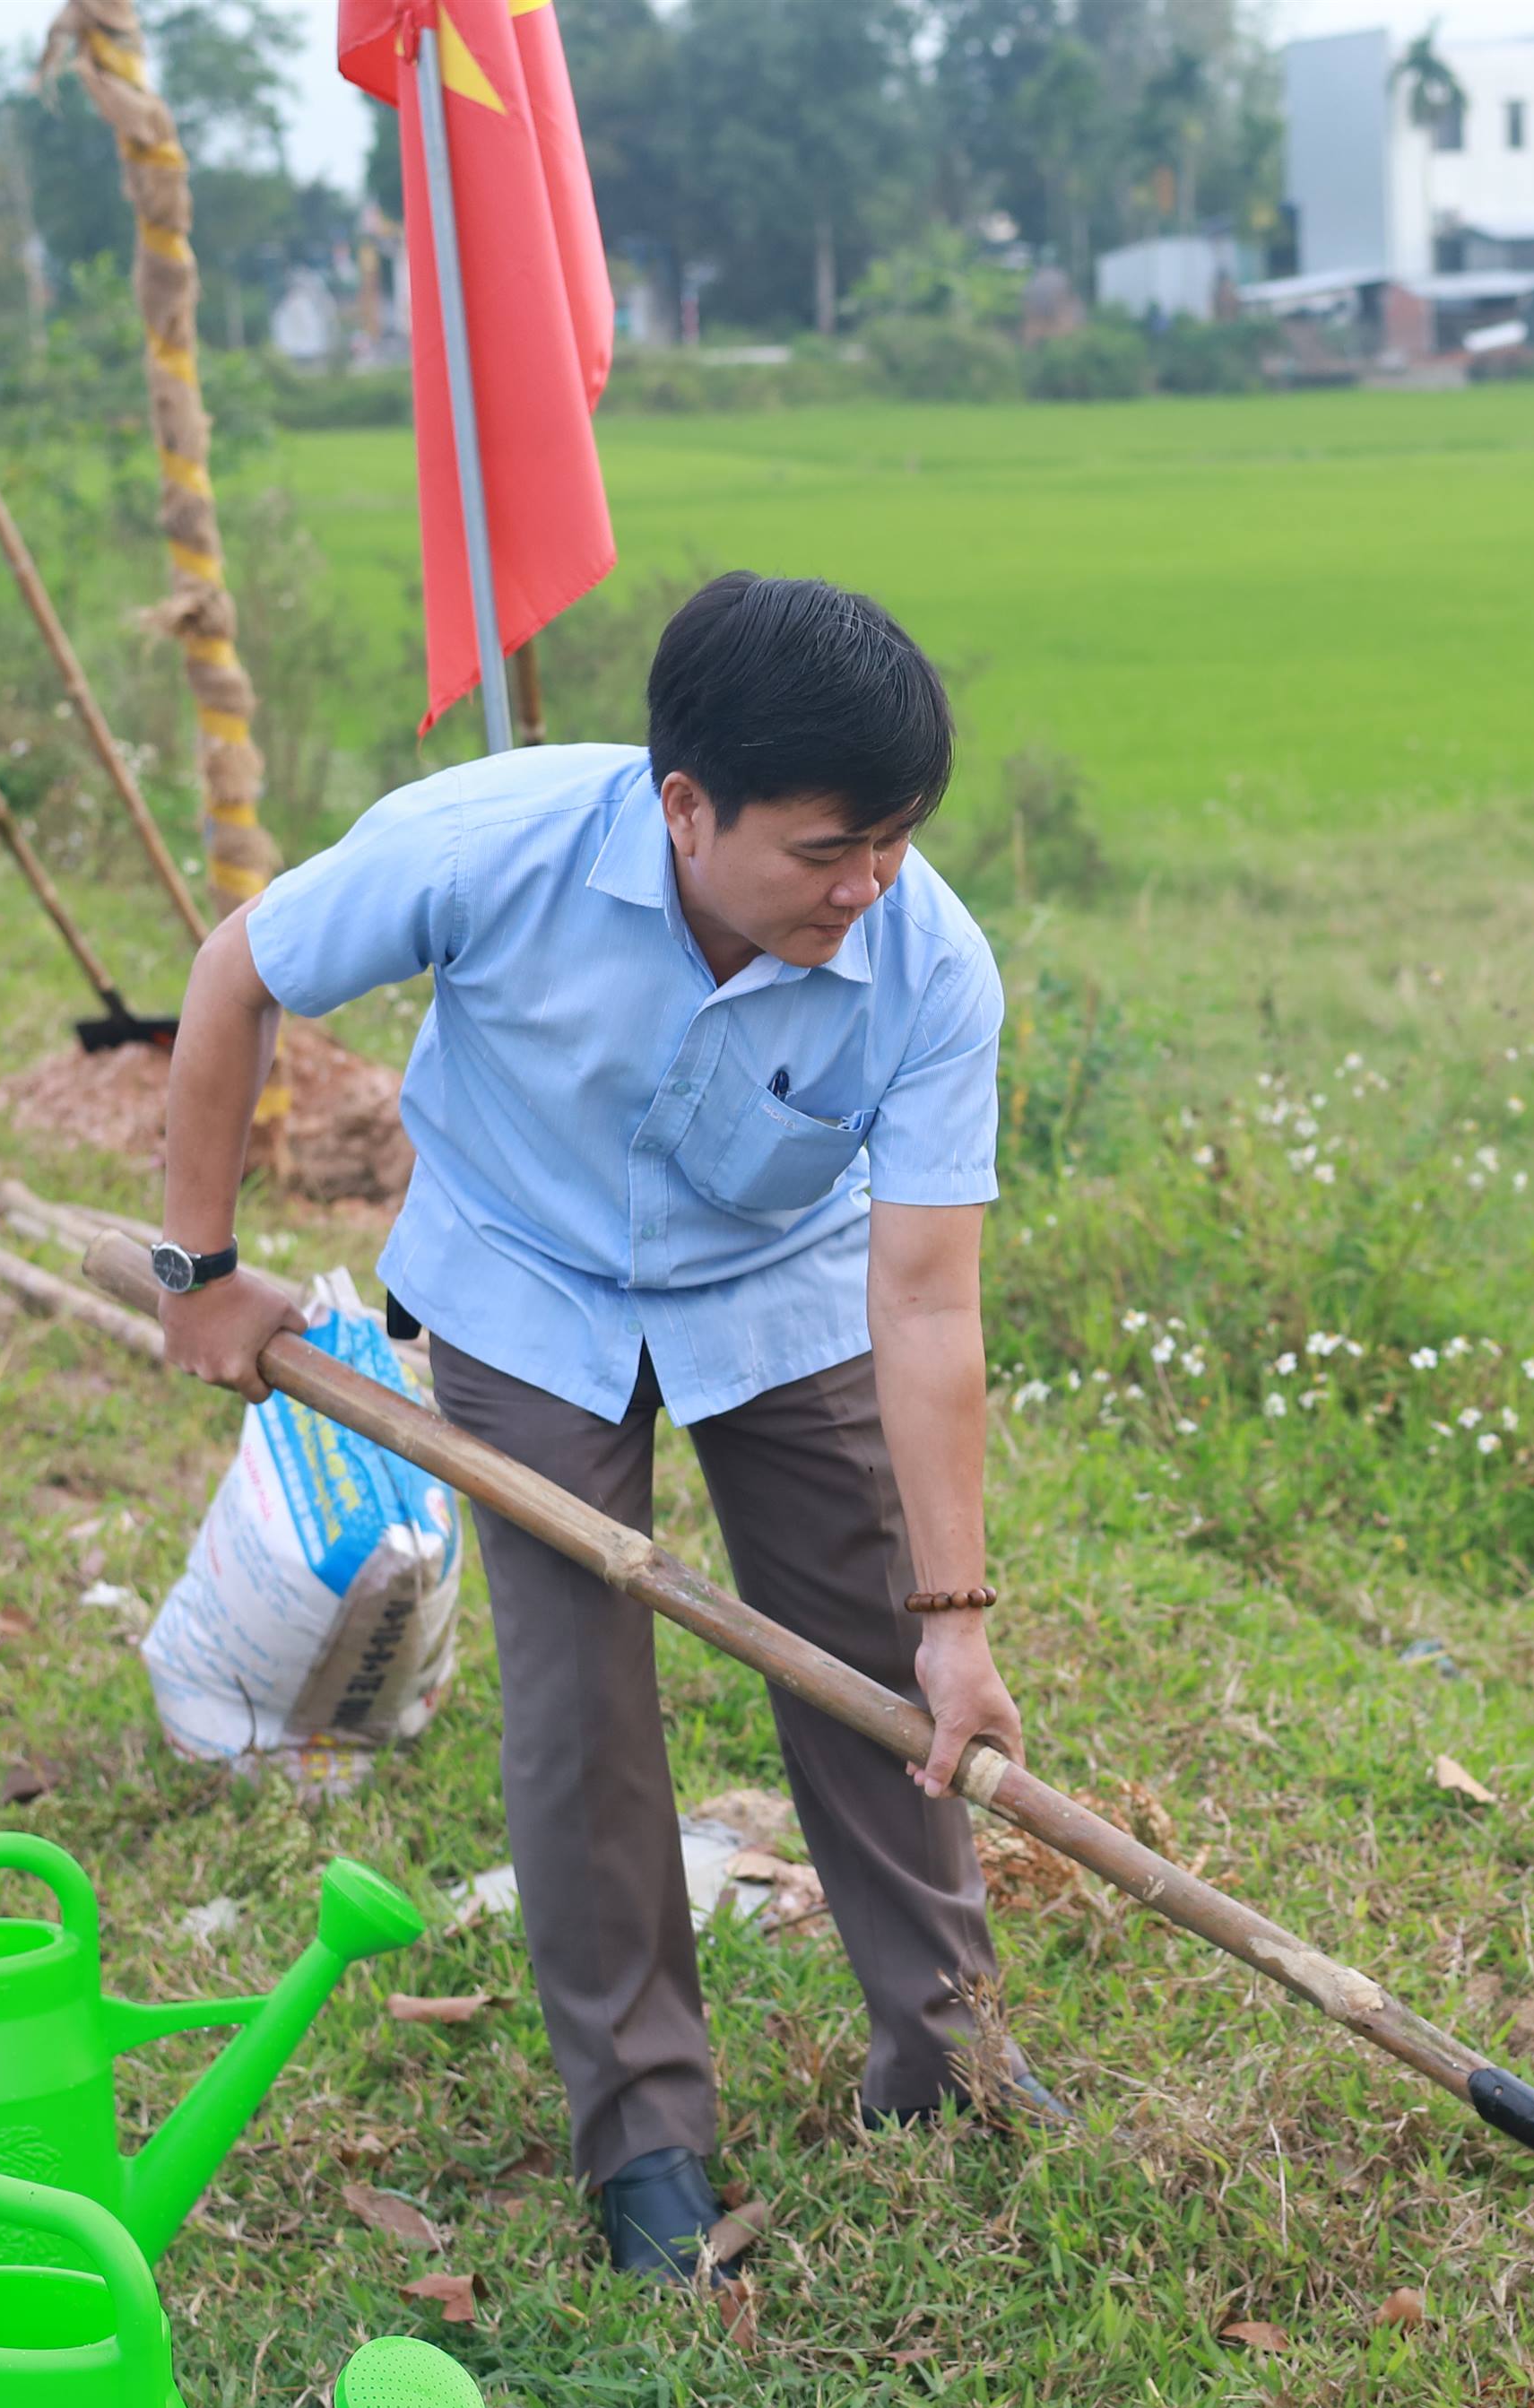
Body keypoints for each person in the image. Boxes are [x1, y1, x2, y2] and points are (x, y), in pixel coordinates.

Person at [155, 572, 1054, 2275]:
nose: (866, 886)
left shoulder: (924, 955)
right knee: (582, 1696)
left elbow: (928, 1297)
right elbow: (234, 972)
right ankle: (645, 2130)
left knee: (869, 1660)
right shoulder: (485, 845)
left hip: (774, 1289)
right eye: (824, 849)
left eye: (893, 840)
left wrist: (958, 1622)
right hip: (524, 1279)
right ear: (685, 806)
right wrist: (199, 1269)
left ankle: (949, 2054)